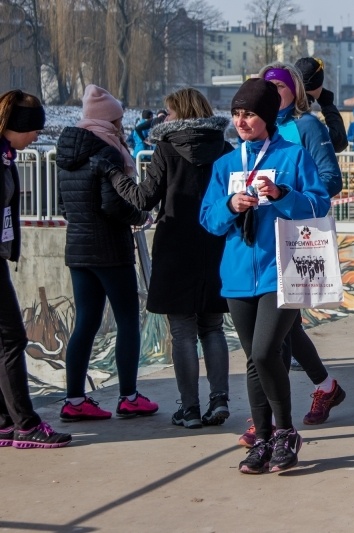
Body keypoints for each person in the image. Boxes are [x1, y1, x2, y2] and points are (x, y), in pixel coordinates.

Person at [200, 78, 330, 474]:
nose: (241, 121)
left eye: (250, 114)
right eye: (236, 113)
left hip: (283, 271)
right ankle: (262, 439)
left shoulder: (293, 156)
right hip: (238, 275)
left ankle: (285, 431)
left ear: (268, 117)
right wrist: (230, 205)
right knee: (255, 361)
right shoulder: (225, 164)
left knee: (263, 351)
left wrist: (281, 194)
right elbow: (208, 219)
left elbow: (319, 205)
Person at [100, 88, 233, 429]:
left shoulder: (166, 148)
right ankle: (219, 399)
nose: (165, 117)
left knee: (183, 331)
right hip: (216, 244)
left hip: (176, 246)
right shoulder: (225, 148)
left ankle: (189, 409)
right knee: (213, 327)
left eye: (169, 112)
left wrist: (114, 175)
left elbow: (144, 199)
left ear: (180, 112)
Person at [231, 62, 344, 441]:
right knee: (281, 333)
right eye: (264, 86)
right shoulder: (248, 136)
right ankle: (320, 390)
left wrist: (287, 192)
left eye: (278, 86)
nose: (271, 92)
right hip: (257, 248)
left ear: (294, 90)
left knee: (274, 338)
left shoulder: (306, 126)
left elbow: (329, 180)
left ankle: (272, 422)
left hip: (297, 239)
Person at [56, 84, 159, 421]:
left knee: (85, 322)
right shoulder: (108, 154)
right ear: (109, 120)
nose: (121, 126)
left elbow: (63, 206)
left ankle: (74, 400)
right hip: (110, 250)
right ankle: (129, 396)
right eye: (118, 120)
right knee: (128, 319)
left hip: (77, 249)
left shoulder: (66, 153)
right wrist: (141, 216)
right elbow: (113, 204)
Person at [0, 90, 72, 449]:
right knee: (12, 339)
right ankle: (26, 425)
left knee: (4, 342)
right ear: (17, 127)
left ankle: (4, 421)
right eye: (34, 131)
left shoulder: (5, 156)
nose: (36, 138)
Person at [295, 56, 348, 153]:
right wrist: (328, 105)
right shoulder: (308, 120)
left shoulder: (283, 108)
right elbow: (339, 141)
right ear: (317, 85)